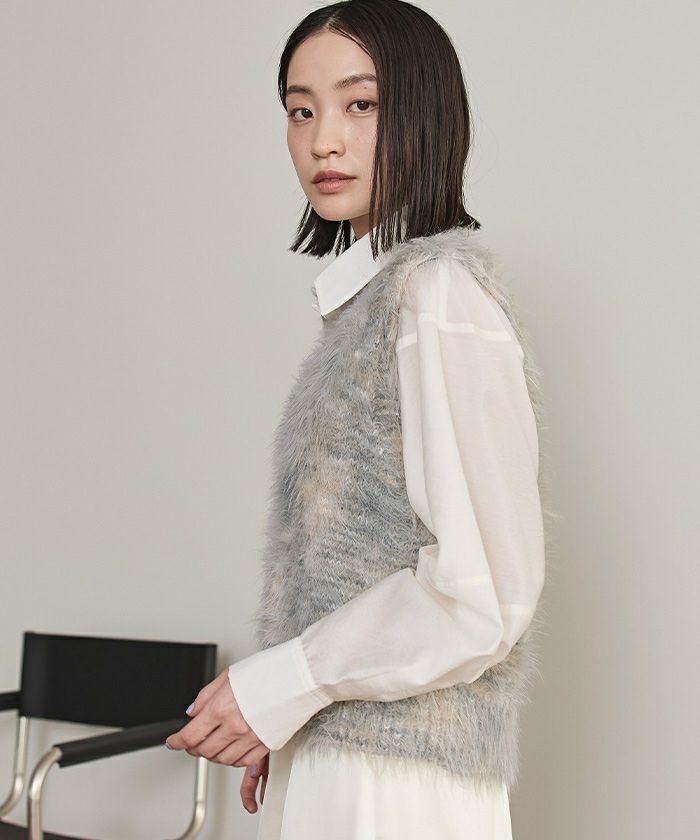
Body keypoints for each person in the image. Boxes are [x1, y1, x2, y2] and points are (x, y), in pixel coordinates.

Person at [165, 2, 552, 837]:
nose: (324, 142)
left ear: (425, 112)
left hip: (398, 784)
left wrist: (280, 685)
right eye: (301, 111)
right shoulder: (378, 303)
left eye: (360, 104)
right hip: (347, 760)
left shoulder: (439, 296)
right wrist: (287, 712)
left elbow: (482, 594)